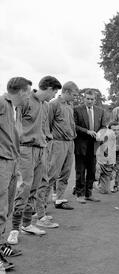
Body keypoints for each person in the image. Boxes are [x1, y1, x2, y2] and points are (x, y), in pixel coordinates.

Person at [7, 76, 62, 246]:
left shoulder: (45, 106)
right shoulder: (25, 100)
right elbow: (16, 124)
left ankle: (26, 224)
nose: (54, 96)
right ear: (48, 88)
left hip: (41, 150)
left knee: (35, 188)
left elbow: (45, 126)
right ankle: (14, 229)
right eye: (54, 92)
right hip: (25, 149)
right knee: (24, 188)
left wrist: (47, 139)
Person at [35, 81, 79, 228]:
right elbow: (47, 124)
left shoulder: (69, 105)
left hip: (70, 143)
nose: (75, 97)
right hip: (57, 143)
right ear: (66, 92)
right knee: (51, 176)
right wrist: (50, 140)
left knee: (65, 174)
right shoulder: (54, 104)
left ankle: (59, 200)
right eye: (73, 94)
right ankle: (40, 209)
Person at [0, 77, 32, 270]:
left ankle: (1, 244)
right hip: (2, 161)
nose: (29, 96)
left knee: (7, 207)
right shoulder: (2, 103)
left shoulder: (14, 109)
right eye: (28, 92)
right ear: (21, 92)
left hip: (11, 162)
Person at [73, 89, 106, 203]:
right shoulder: (77, 110)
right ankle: (79, 194)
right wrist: (87, 131)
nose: (89, 101)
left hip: (94, 145)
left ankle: (89, 193)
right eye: (87, 98)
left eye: (92, 99)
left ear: (95, 100)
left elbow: (103, 126)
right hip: (81, 144)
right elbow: (74, 126)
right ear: (84, 98)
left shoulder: (100, 111)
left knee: (92, 171)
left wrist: (101, 133)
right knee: (80, 171)